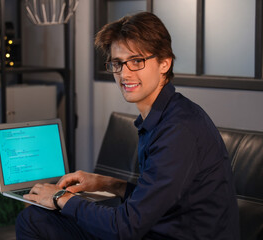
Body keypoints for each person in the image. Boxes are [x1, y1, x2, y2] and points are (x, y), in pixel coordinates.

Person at [16, 12, 240, 239]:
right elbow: (155, 200)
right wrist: (106, 183)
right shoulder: (164, 116)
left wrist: (60, 198)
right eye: (117, 63)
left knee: (34, 220)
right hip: (159, 229)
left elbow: (126, 228)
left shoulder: (179, 129)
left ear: (164, 63)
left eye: (136, 61)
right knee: (39, 217)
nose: (124, 74)